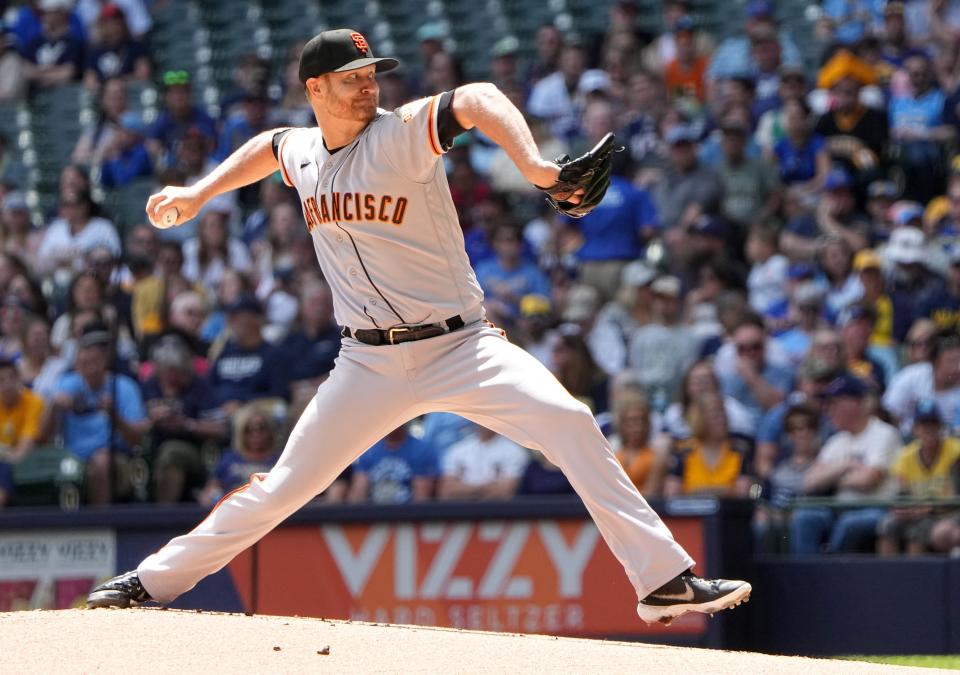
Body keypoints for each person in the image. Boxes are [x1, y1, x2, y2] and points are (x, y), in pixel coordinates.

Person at [88, 29, 749, 625]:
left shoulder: (401, 131)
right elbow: (270, 147)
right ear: (315, 88)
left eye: (372, 72)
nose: (369, 84)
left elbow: (481, 97)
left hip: (463, 345)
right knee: (282, 485)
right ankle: (151, 581)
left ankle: (661, 579)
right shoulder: (303, 150)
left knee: (571, 422)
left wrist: (541, 171)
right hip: (366, 364)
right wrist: (199, 192)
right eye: (353, 76)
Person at [790, 373, 901, 554]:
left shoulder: (884, 433)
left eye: (834, 404)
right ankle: (806, 575)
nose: (828, 410)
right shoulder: (837, 441)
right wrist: (846, 466)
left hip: (876, 508)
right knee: (806, 517)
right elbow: (810, 481)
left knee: (850, 524)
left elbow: (868, 480)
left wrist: (832, 476)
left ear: (855, 403)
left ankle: (833, 575)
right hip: (839, 509)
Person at [45, 326, 149, 504]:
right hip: (73, 457)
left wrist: (114, 416)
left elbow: (137, 438)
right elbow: (43, 436)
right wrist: (54, 407)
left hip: (116, 455)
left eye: (94, 361)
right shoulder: (67, 384)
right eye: (84, 363)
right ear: (77, 364)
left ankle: (101, 522)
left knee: (102, 462)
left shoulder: (123, 387)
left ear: (104, 362)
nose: (89, 368)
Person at [876, 401, 960, 555]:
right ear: (915, 429)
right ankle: (886, 574)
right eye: (923, 425)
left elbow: (955, 498)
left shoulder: (955, 451)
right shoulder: (906, 456)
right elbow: (902, 493)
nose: (928, 430)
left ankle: (916, 578)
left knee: (918, 532)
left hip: (949, 513)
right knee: (888, 525)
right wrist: (903, 509)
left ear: (940, 427)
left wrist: (927, 508)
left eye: (933, 424)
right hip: (918, 511)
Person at [198, 404, 281, 507]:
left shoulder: (281, 461)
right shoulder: (228, 459)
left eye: (261, 428)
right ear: (240, 432)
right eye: (248, 430)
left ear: (270, 430)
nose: (255, 434)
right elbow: (208, 494)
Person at [347, 424, 438, 504]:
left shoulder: (421, 450)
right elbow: (358, 494)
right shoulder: (368, 449)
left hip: (407, 517)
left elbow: (421, 498)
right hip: (373, 516)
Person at [438, 423, 528, 500]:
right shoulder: (458, 449)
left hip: (496, 513)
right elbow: (446, 492)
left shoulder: (513, 451)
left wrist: (462, 489)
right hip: (461, 512)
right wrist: (483, 488)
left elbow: (505, 492)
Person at [0, 358, 45, 463]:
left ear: (19, 378)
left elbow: (24, 450)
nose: (7, 384)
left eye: (12, 377)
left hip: (28, 464)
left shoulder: (35, 402)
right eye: (1, 380)